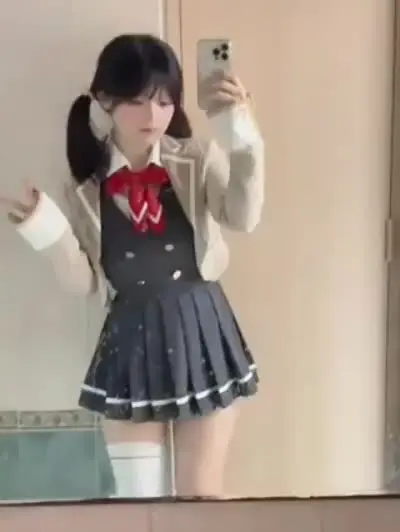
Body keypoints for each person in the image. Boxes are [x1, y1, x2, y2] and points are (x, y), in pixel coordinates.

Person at [0, 34, 264, 497]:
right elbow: (85, 283)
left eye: (164, 101)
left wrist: (243, 137)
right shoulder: (84, 186)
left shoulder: (197, 157)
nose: (153, 116)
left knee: (202, 497)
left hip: (201, 331)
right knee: (137, 501)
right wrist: (47, 232)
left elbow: (243, 217)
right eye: (138, 101)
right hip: (130, 342)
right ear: (105, 100)